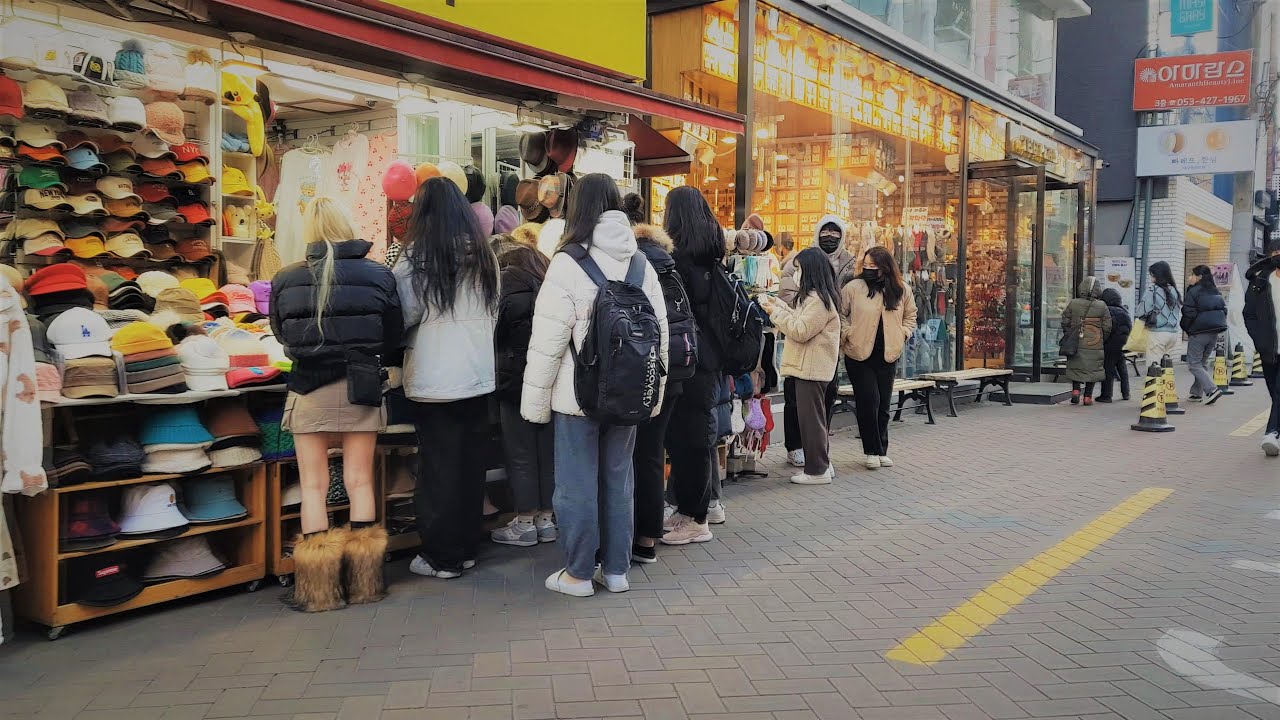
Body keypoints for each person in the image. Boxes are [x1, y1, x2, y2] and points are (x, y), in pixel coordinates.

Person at [522, 174, 668, 597]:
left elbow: (547, 341)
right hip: (628, 393)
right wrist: (652, 397)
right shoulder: (641, 263)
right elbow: (658, 336)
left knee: (576, 483)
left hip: (577, 395)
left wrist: (534, 404)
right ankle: (617, 570)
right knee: (619, 479)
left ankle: (579, 573)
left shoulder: (567, 262)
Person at [270, 197, 403, 611]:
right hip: (361, 387)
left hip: (308, 389)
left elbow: (281, 335)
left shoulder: (286, 277)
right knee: (360, 481)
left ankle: (318, 591)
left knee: (313, 486)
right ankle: (365, 583)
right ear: (349, 225)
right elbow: (393, 334)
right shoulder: (379, 274)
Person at [394, 177, 500, 580]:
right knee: (471, 465)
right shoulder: (485, 257)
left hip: (435, 379)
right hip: (476, 374)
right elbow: (494, 311)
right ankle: (465, 547)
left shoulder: (416, 257)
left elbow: (405, 314)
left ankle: (442, 556)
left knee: (438, 467)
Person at [662, 186, 728, 545]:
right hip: (709, 357)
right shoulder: (712, 255)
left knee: (691, 440)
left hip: (689, 357)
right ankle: (692, 511)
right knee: (696, 438)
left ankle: (696, 518)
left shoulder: (681, 260)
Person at [491, 244, 556, 547]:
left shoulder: (505, 283)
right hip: (549, 379)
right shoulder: (549, 281)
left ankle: (525, 523)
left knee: (520, 452)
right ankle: (546, 520)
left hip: (513, 380)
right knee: (546, 451)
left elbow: (495, 333)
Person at [778, 216, 856, 468]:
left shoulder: (849, 264)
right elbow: (788, 292)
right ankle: (800, 449)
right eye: (826, 232)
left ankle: (818, 461)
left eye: (835, 233)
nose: (830, 237)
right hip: (806, 343)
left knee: (821, 402)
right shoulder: (800, 262)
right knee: (797, 401)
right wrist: (796, 306)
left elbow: (847, 303)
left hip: (825, 343)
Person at [760, 248, 841, 484]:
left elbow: (800, 330)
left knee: (811, 421)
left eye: (799, 269)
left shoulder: (818, 301)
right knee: (814, 420)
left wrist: (775, 313)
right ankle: (822, 465)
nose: (796, 274)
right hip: (810, 368)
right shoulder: (817, 298)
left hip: (811, 369)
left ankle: (817, 470)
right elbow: (799, 320)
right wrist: (780, 307)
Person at [840, 246, 916, 469]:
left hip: (888, 353)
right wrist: (848, 334)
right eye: (867, 266)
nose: (870, 270)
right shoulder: (853, 287)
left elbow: (911, 315)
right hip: (859, 353)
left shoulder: (901, 290)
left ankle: (882, 449)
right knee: (868, 400)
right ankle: (871, 450)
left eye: (875, 266)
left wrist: (904, 333)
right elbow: (841, 314)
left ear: (886, 267)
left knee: (883, 403)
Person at [1243, 240, 1280, 455]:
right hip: (1268, 348)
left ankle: (1272, 432)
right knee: (1274, 393)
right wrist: (1258, 339)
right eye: (1275, 252)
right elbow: (1248, 314)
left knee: (1279, 390)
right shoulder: (1260, 281)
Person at [1061, 277, 1112, 405]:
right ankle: (1088, 397)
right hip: (1094, 342)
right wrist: (1101, 338)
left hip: (1076, 341)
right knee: (1092, 369)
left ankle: (1076, 391)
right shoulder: (1102, 305)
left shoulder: (1074, 303)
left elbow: (1065, 320)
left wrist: (1069, 333)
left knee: (1076, 366)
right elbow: (1107, 326)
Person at [1183, 265, 1228, 404]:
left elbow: (1188, 312)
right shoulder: (1216, 291)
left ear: (1199, 277)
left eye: (1192, 274)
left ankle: (1212, 389)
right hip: (1214, 332)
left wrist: (1186, 328)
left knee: (1193, 364)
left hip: (1198, 332)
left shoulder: (1193, 291)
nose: (1190, 277)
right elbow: (1224, 311)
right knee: (1201, 363)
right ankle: (1196, 393)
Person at [1135, 261, 1182, 362]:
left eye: (1152, 274)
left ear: (1157, 275)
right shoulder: (1174, 290)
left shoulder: (1153, 290)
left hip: (1158, 333)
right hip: (1173, 334)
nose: (1151, 277)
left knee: (1153, 368)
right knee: (1166, 368)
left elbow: (1142, 311)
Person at [1097, 288, 1132, 403]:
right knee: (1122, 369)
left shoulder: (1107, 311)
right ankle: (1126, 393)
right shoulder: (1125, 311)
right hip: (1122, 344)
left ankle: (1106, 395)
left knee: (1108, 370)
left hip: (1110, 344)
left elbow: (1106, 328)